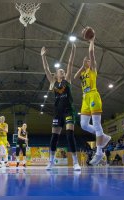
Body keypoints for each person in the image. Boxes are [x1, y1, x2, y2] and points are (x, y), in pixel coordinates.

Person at [74, 27, 111, 166]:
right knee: (83, 125)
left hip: (94, 96)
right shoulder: (83, 73)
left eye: (88, 61)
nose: (87, 61)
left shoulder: (93, 69)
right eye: (86, 61)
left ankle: (99, 152)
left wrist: (92, 40)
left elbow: (91, 53)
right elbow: (75, 76)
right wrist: (82, 66)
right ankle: (104, 136)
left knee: (96, 124)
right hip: (85, 99)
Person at [41, 43, 81, 171]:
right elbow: (46, 69)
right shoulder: (53, 82)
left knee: (70, 134)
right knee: (54, 137)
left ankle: (75, 162)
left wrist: (73, 50)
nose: (62, 71)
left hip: (68, 110)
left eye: (63, 71)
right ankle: (51, 162)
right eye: (60, 71)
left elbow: (70, 63)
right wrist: (43, 56)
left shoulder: (67, 80)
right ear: (56, 74)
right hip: (57, 112)